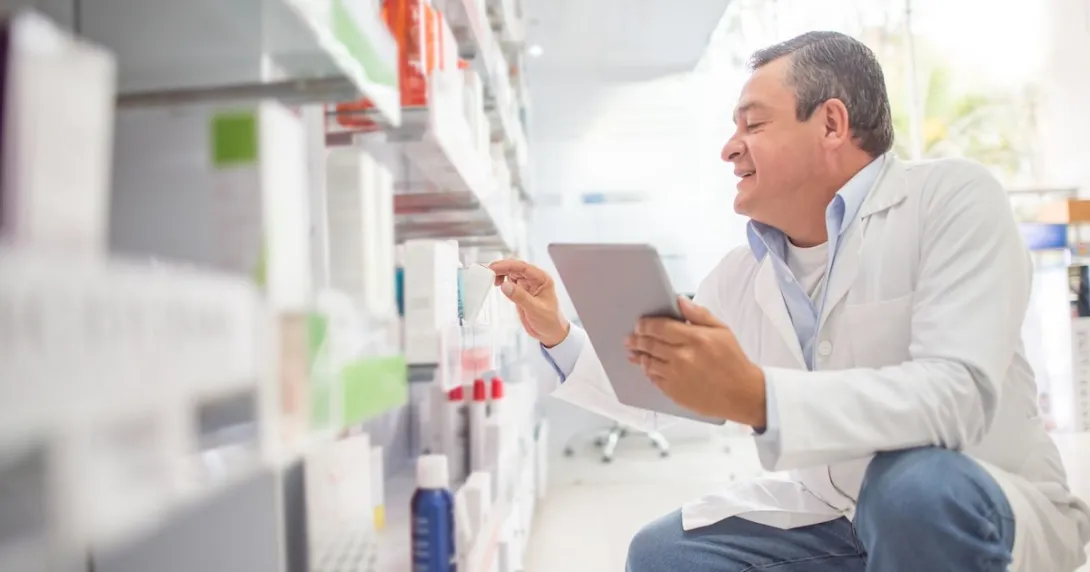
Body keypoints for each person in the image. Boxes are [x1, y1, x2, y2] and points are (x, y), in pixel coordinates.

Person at [490, 31, 1090, 572]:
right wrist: (557, 333)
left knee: (910, 488)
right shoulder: (742, 272)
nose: (729, 148)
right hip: (836, 516)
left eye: (753, 125)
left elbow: (956, 396)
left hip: (971, 503)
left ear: (831, 124)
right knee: (664, 554)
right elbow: (660, 401)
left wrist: (758, 395)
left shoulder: (951, 200)